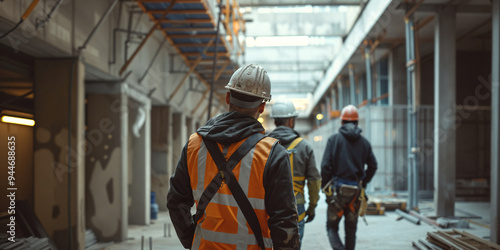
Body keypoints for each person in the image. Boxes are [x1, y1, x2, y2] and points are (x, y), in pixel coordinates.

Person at [167, 64, 300, 250]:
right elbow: (285, 222)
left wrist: (191, 239)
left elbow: (176, 201)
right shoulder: (272, 154)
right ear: (262, 107)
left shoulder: (194, 145)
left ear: (228, 96)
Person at [320, 105, 377, 250]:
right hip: (355, 194)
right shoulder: (364, 143)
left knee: (331, 226)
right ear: (357, 122)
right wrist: (363, 182)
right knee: (351, 231)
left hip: (337, 192)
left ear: (342, 122)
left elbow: (325, 167)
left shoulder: (333, 140)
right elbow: (373, 166)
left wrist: (325, 189)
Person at [268, 100, 321, 247]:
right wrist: (312, 206)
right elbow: (314, 181)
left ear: (274, 121)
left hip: (268, 206)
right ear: (291, 121)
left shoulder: (264, 144)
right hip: (296, 208)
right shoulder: (304, 147)